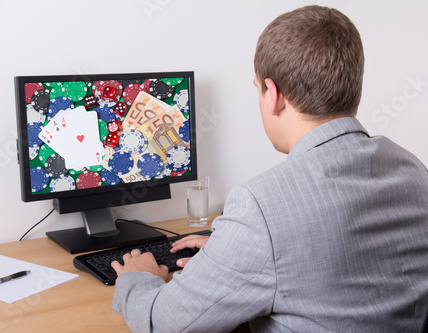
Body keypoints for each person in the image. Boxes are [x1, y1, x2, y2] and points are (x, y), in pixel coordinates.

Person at [110, 5, 428, 332]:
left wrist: (138, 278)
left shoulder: (261, 206)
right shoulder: (413, 170)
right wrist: (237, 252)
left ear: (273, 95)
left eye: (257, 88)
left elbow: (164, 324)